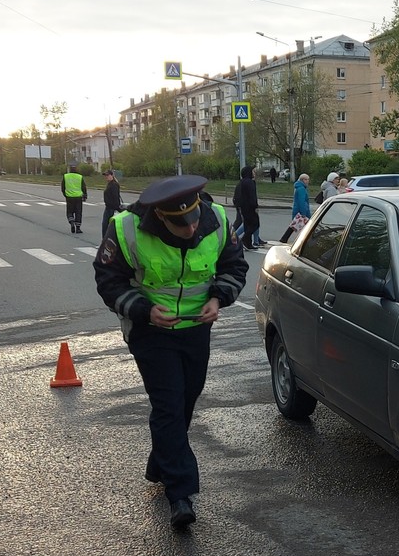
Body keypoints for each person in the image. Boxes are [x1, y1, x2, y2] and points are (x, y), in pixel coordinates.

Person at [93, 175, 248, 530]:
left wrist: (217, 298)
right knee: (168, 402)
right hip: (151, 331)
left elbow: (234, 266)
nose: (191, 228)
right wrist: (144, 310)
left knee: (187, 399)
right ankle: (180, 492)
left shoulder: (217, 220)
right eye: (181, 224)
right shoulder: (126, 227)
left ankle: (160, 463)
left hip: (196, 328)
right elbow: (108, 278)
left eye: (194, 219)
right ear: (160, 217)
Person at [232, 165, 261, 250]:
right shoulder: (250, 182)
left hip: (244, 207)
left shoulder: (242, 182)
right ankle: (244, 240)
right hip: (250, 207)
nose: (253, 173)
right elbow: (252, 196)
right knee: (255, 224)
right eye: (252, 171)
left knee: (247, 225)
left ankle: (248, 243)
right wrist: (255, 206)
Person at [283, 172, 311, 241]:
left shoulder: (299, 187)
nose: (308, 181)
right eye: (306, 179)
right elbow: (302, 201)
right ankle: (303, 241)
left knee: (294, 226)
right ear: (302, 180)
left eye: (308, 179)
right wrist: (303, 213)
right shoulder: (301, 189)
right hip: (301, 211)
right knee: (307, 227)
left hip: (298, 210)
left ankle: (284, 238)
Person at [61, 163, 87, 233]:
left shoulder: (66, 176)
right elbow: (83, 187)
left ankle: (71, 222)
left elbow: (63, 187)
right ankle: (78, 228)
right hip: (78, 197)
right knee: (78, 212)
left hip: (69, 197)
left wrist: (65, 194)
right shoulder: (79, 177)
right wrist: (85, 195)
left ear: (70, 169)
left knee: (70, 212)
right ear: (76, 170)